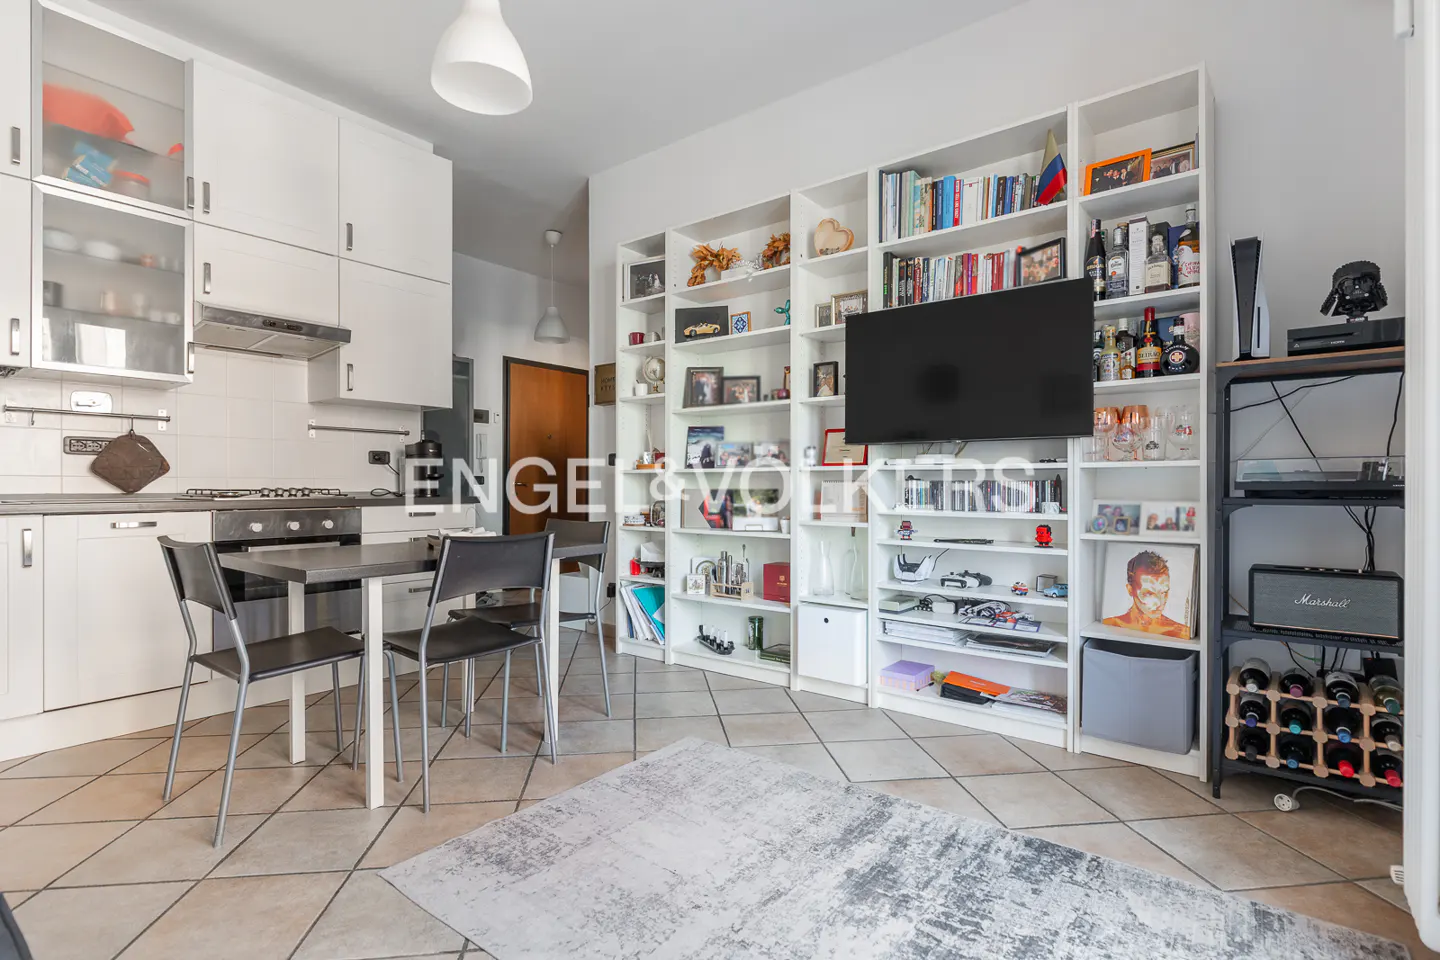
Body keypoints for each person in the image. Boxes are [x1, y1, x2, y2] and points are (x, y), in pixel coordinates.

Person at [1102, 549, 1191, 639]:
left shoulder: (1181, 632)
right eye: (1149, 594)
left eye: (1164, 592)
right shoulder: (1110, 625)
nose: (1159, 603)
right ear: (1130, 590)